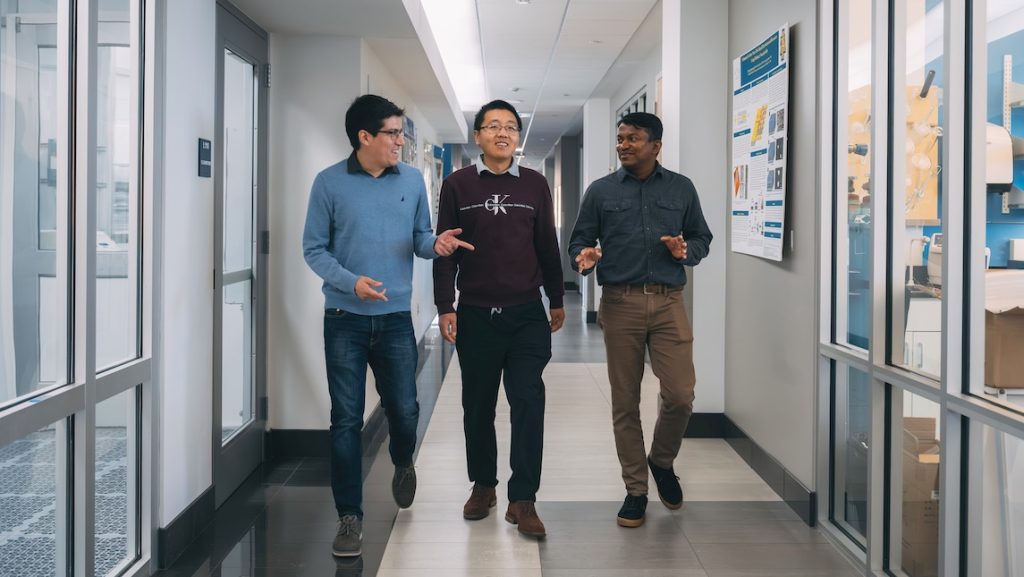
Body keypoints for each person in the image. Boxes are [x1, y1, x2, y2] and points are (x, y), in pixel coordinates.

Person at [303, 94, 473, 558]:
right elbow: (314, 249)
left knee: (404, 410)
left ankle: (402, 462)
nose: (402, 140)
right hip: (344, 319)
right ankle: (349, 517)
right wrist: (350, 282)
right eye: (394, 133)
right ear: (365, 136)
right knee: (345, 420)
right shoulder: (329, 184)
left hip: (397, 319)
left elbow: (418, 238)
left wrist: (435, 243)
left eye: (401, 133)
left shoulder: (413, 180)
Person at [567, 112, 712, 528]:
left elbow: (702, 236)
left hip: (669, 303)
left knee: (681, 394)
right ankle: (636, 489)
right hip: (620, 302)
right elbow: (580, 240)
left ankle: (661, 461)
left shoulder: (681, 189)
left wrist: (687, 252)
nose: (623, 145)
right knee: (625, 401)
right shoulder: (601, 191)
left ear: (656, 145)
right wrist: (585, 257)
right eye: (620, 138)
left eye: (633, 138)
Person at [433, 99, 565, 538]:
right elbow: (445, 250)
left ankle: (523, 498)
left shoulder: (534, 185)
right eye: (492, 126)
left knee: (528, 402)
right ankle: (484, 485)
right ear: (478, 136)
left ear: (517, 138)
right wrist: (445, 306)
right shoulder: (457, 185)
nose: (502, 133)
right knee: (478, 406)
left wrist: (557, 297)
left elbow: (546, 244)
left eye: (510, 127)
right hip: (475, 313)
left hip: (527, 313)